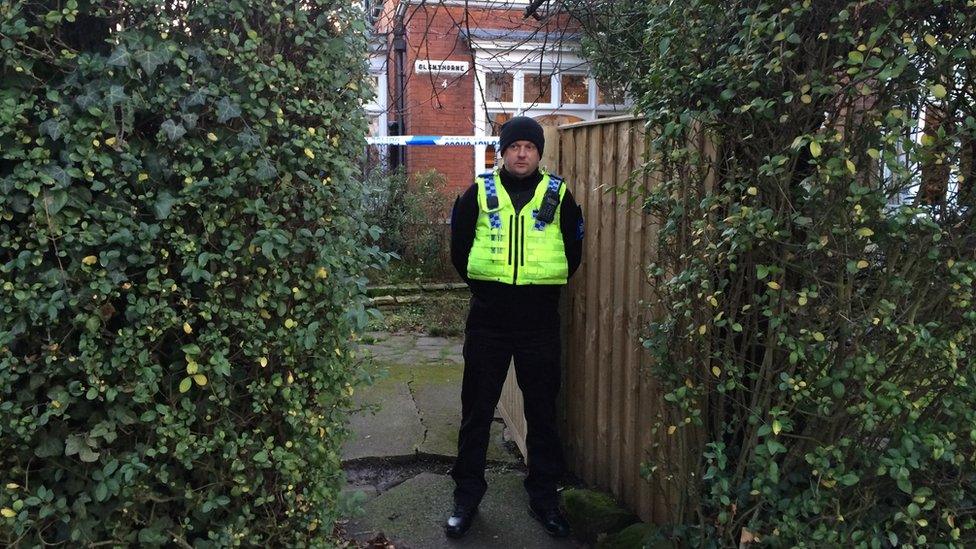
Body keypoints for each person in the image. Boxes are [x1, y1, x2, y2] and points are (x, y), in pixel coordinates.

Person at [444, 116, 584, 539]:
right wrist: (489, 293)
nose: (522, 153)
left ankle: (544, 499)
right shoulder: (478, 194)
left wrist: (537, 294)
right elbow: (459, 248)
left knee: (542, 413)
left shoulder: (559, 196)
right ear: (501, 151)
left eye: (530, 146)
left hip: (538, 323)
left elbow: (573, 251)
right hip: (489, 321)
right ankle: (466, 497)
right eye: (514, 146)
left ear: (540, 153)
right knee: (476, 412)